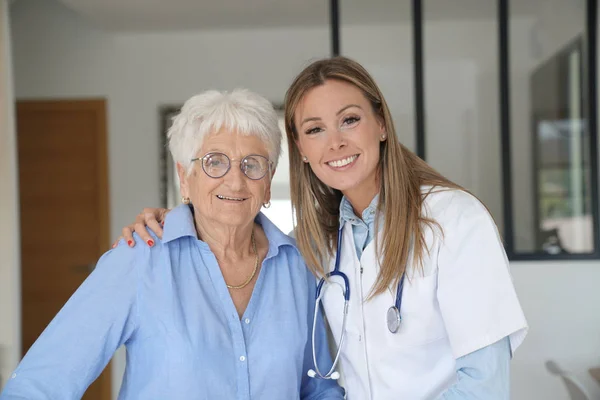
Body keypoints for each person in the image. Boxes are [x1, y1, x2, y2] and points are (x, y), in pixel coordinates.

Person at [117, 57, 528, 400]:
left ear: (381, 124)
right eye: (315, 129)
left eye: (349, 120)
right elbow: (242, 236)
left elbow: (484, 385)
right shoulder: (317, 243)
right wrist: (177, 218)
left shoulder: (453, 220)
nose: (334, 143)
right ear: (301, 149)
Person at [0, 90, 345, 400]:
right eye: (214, 162)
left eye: (252, 165)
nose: (236, 180)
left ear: (268, 183)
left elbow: (316, 388)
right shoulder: (141, 259)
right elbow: (41, 384)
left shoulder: (298, 268)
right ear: (184, 178)